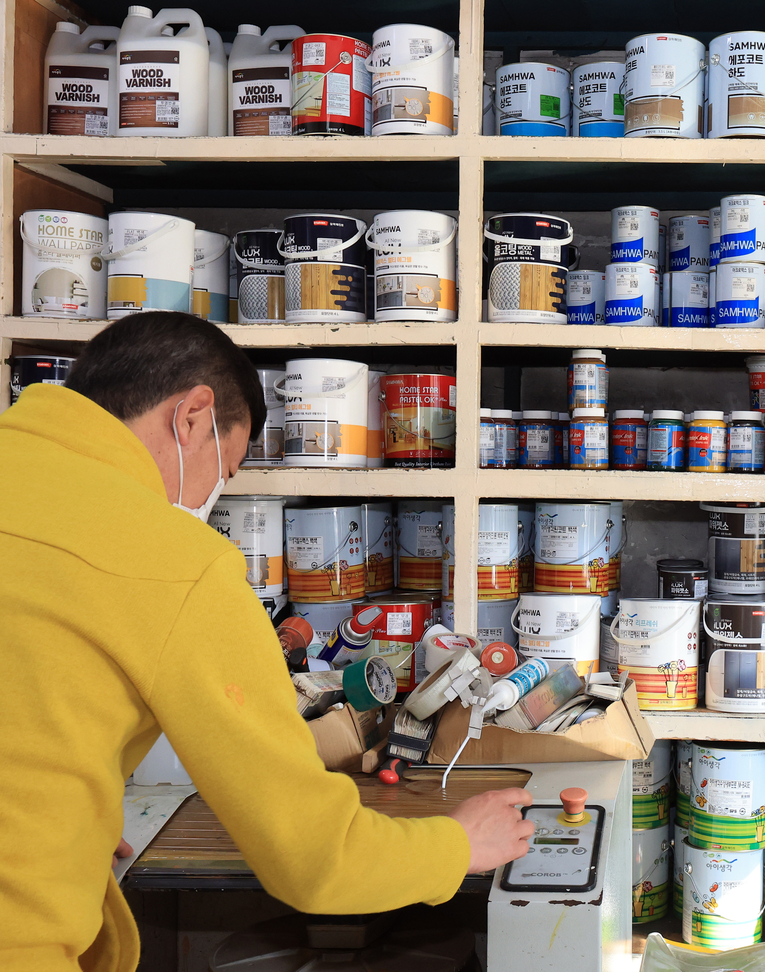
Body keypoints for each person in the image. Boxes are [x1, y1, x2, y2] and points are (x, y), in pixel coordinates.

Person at [0, 312, 534, 972]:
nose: (214, 492)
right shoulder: (174, 560)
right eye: (228, 467)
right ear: (191, 415)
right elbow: (314, 861)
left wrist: (67, 813)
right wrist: (457, 844)